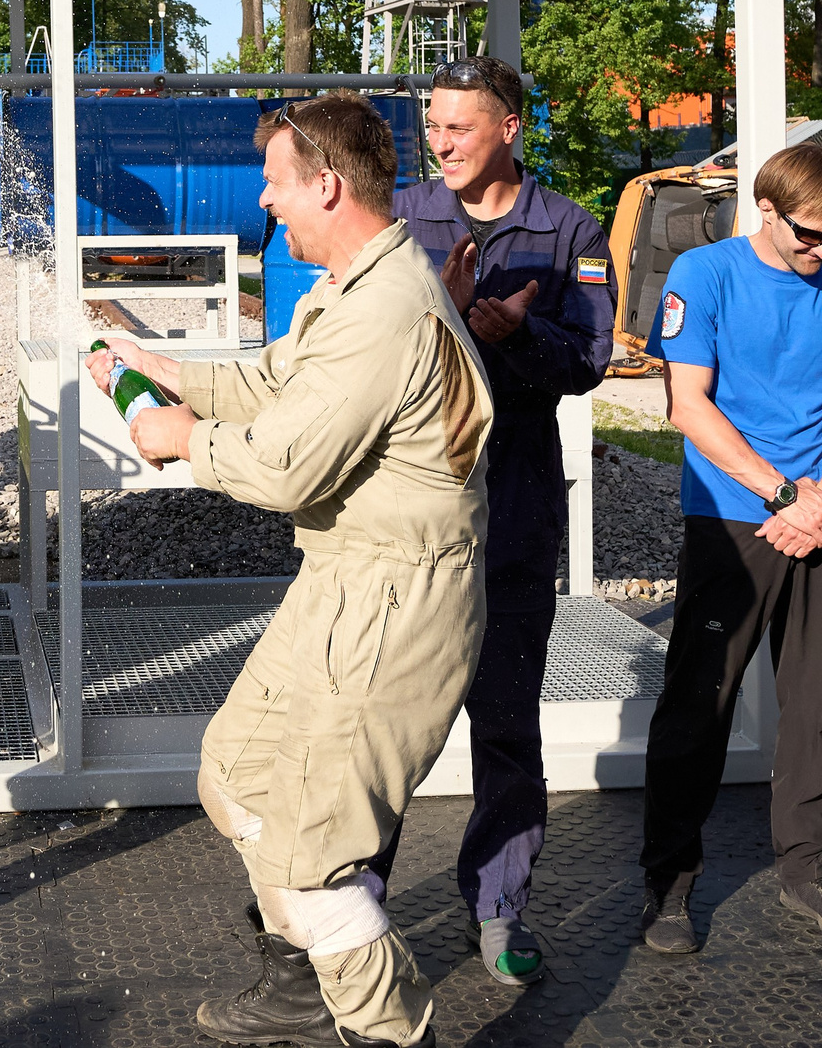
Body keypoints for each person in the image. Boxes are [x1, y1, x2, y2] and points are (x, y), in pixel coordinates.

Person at [92, 95, 494, 1048]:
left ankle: (391, 1031)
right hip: (346, 579)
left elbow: (282, 466)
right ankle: (305, 978)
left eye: (275, 184)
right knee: (237, 775)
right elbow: (277, 384)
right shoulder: (354, 285)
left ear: (325, 182)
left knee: (315, 857)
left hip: (396, 599)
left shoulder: (384, 309)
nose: (266, 202)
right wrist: (166, 368)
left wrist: (180, 439)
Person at [373, 56, 615, 988]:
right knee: (386, 717)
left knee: (506, 721)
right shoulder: (401, 216)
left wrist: (517, 336)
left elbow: (590, 356)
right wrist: (449, 318)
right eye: (432, 128)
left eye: (459, 129)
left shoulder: (567, 229)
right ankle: (354, 906)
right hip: (410, 504)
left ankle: (500, 909)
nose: (440, 145)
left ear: (510, 128)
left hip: (512, 502)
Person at [636, 140, 822, 956]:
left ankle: (809, 872)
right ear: (767, 211)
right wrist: (784, 494)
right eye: (811, 236)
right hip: (732, 517)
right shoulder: (704, 276)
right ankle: (670, 888)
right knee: (698, 704)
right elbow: (689, 406)